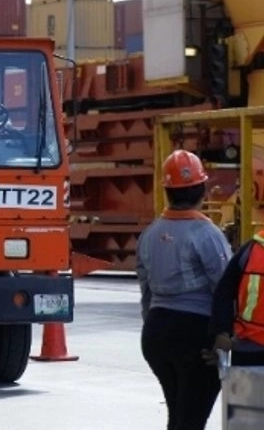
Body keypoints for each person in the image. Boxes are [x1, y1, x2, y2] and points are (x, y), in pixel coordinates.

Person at [136, 149, 232, 430]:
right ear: (202, 189)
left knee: (179, 414)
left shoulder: (150, 233)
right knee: (191, 418)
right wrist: (224, 337)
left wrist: (155, 327)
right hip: (194, 334)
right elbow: (225, 289)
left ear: (167, 191)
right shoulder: (207, 234)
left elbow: (145, 292)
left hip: (156, 333)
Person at [206, 219, 264, 368]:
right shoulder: (251, 249)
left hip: (249, 348)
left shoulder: (251, 250)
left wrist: (222, 332)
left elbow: (224, 292)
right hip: (249, 348)